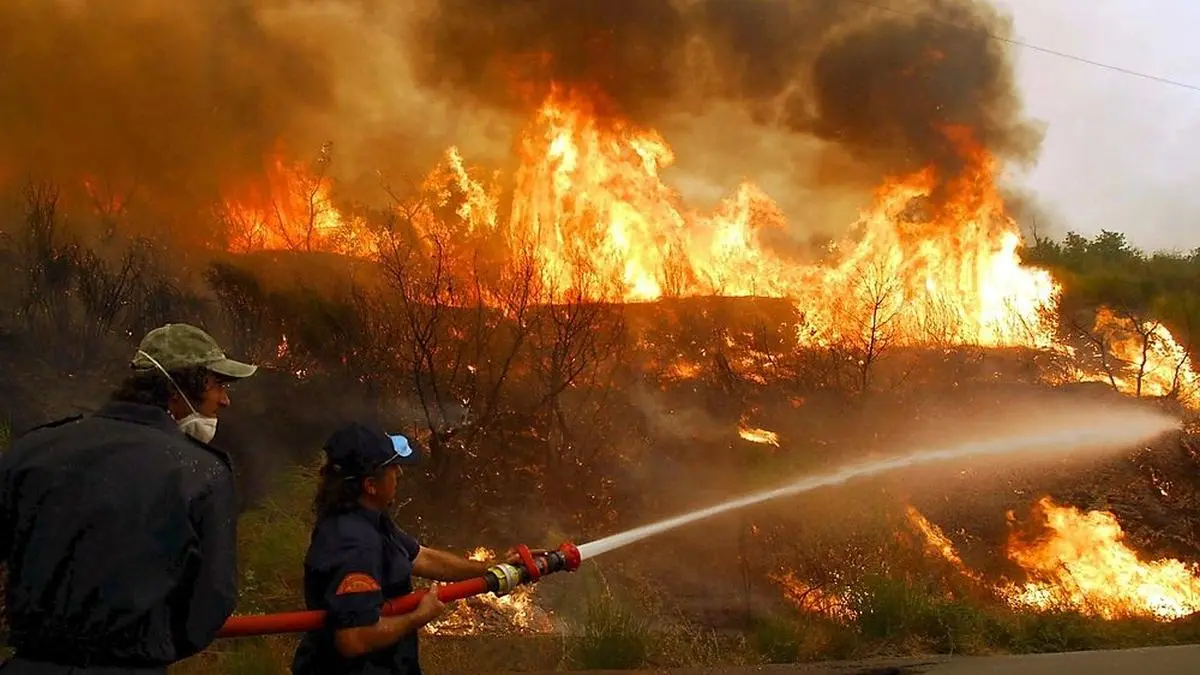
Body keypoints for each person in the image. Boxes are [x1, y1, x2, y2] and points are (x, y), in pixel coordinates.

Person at [0, 323, 257, 673]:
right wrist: (144, 648)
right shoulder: (201, 473)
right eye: (219, 384)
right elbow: (209, 604)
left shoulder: (34, 449)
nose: (225, 400)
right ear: (180, 386)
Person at [292, 422, 524, 675]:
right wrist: (418, 617)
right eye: (393, 468)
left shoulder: (368, 518)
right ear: (370, 485)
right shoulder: (355, 544)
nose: (400, 474)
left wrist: (492, 568)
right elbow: (353, 638)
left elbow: (421, 557)